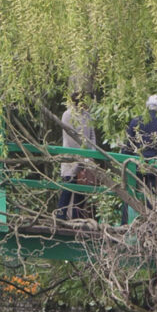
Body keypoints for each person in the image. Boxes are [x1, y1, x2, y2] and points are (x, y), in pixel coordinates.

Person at [57, 94, 98, 222]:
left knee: (81, 188)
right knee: (68, 186)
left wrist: (91, 153)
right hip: (71, 154)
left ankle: (77, 217)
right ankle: (61, 216)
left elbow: (92, 136)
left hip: (85, 156)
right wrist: (80, 152)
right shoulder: (68, 115)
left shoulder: (87, 116)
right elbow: (69, 136)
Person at [125, 94, 157, 203]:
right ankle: (151, 219)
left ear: (147, 106)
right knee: (154, 200)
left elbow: (128, 146)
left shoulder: (136, 121)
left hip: (137, 166)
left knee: (132, 196)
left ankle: (128, 219)